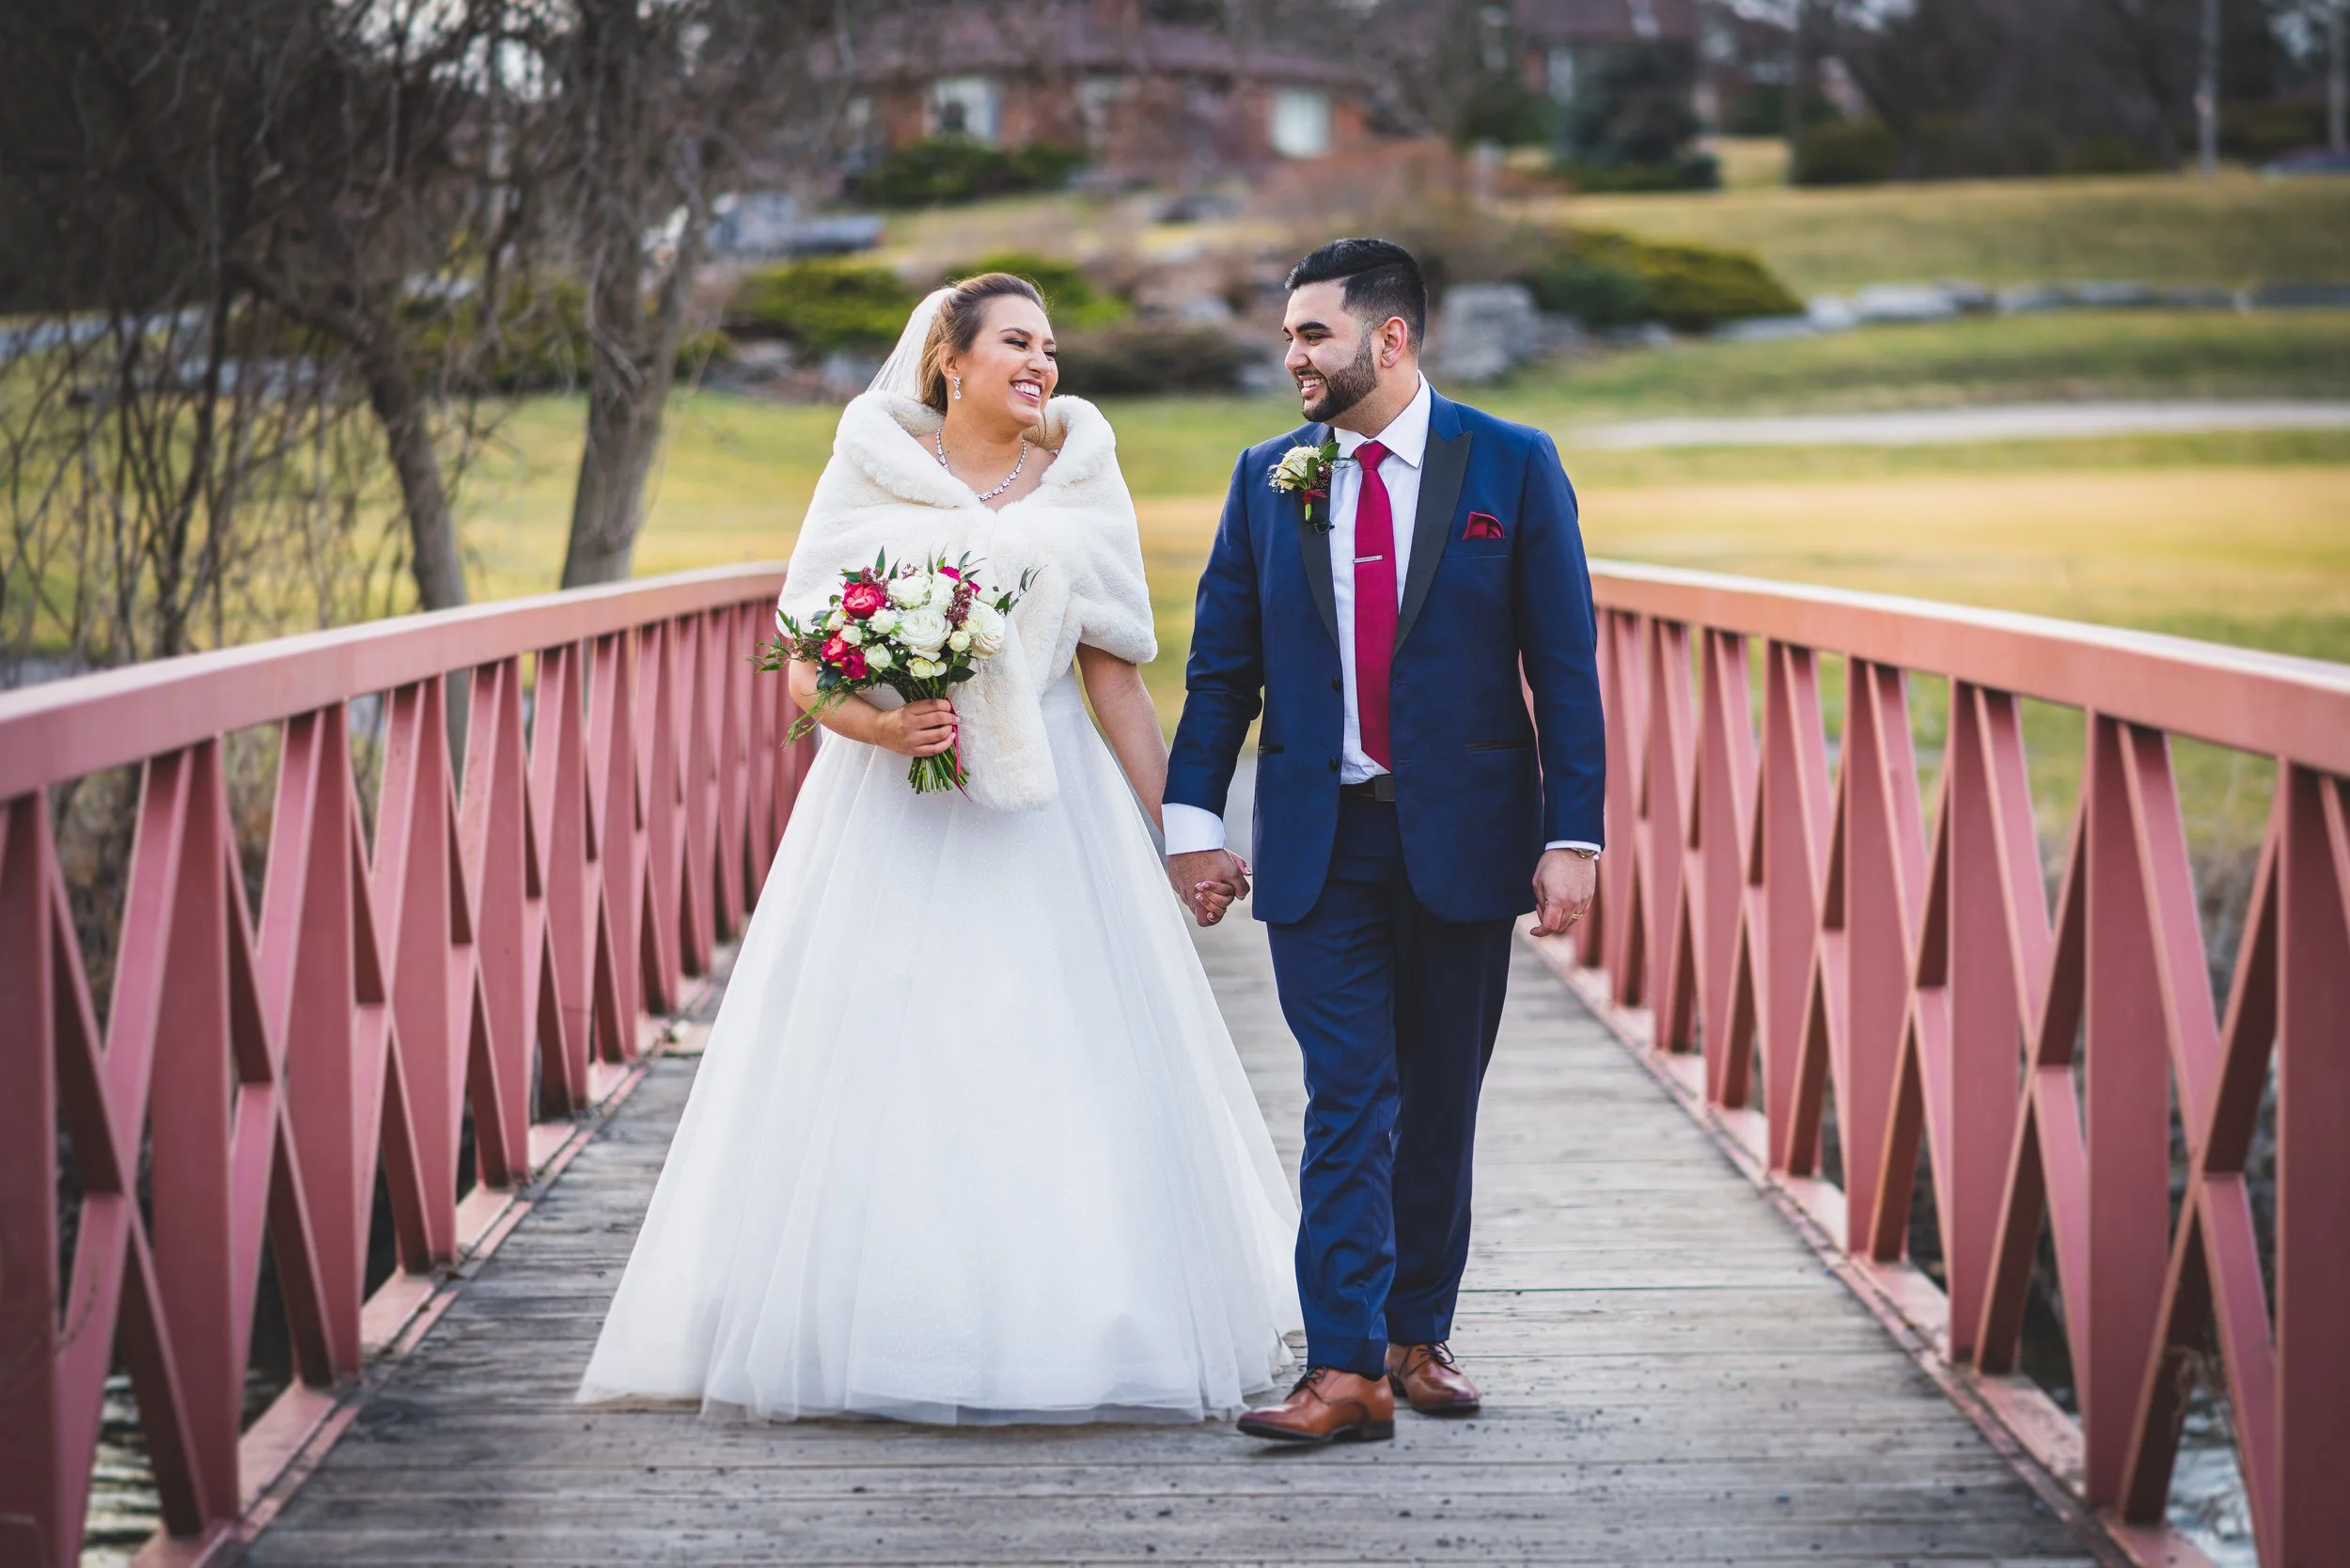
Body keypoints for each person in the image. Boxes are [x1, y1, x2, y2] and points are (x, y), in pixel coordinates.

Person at [576, 274, 1302, 1425]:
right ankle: (879, 1326)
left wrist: (1182, 833)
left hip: (1052, 817)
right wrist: (882, 722)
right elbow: (810, 665)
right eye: (1016, 341)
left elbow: (1112, 674)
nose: (1041, 363)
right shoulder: (869, 475)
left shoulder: (1081, 477)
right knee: (889, 1045)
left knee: (1057, 1046)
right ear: (947, 360)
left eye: (1052, 347)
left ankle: (1084, 1322)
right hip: (893, 812)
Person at [1165, 238, 1605, 1443]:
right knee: (1348, 1096)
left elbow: (1563, 668)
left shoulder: (1509, 466)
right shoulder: (1268, 476)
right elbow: (1220, 675)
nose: (1291, 354)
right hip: (1317, 841)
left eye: (1313, 334)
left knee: (1441, 1100)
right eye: (1289, 333)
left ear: (1391, 338)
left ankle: (1418, 1333)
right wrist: (1192, 825)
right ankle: (1345, 1367)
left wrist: (1575, 836)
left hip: (1464, 838)